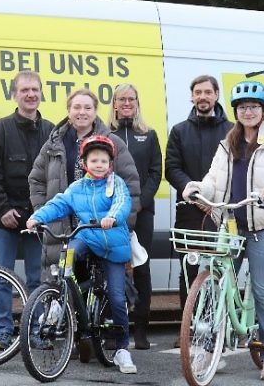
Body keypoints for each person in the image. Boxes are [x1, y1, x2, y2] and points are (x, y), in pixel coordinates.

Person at [182, 80, 264, 381]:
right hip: (229, 224)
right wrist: (197, 188)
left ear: (263, 111)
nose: (248, 112)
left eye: (254, 107)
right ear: (236, 112)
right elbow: (213, 181)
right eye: (243, 107)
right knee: (210, 283)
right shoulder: (227, 145)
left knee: (263, 291)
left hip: (263, 227)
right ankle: (209, 350)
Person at [28, 134, 137, 374]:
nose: (99, 165)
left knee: (117, 297)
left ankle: (122, 349)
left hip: (112, 244)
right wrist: (38, 217)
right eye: (94, 160)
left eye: (104, 161)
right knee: (68, 252)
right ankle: (59, 299)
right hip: (87, 236)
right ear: (85, 164)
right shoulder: (77, 187)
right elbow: (59, 204)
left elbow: (122, 202)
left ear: (110, 164)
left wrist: (113, 217)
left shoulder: (115, 183)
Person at [30, 87, 142, 280]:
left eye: (88, 108)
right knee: (61, 287)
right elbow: (36, 180)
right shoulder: (52, 144)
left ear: (95, 111)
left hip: (101, 230)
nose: (82, 112)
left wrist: (121, 225)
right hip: (61, 228)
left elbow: (130, 188)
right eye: (77, 107)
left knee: (97, 290)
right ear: (68, 110)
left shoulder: (113, 143)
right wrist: (44, 213)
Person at [0, 70, 54, 350]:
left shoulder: (51, 131)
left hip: (39, 219)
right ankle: (3, 331)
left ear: (41, 93)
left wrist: (45, 213)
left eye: (35, 89)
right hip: (5, 218)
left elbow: (54, 177)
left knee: (37, 278)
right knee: (3, 277)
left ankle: (33, 331)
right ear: (14, 94)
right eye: (24, 90)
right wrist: (3, 210)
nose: (30, 94)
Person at [164, 75, 233, 322]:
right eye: (197, 92)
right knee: (189, 270)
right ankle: (189, 326)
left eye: (207, 92)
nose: (202, 96)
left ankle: (220, 325)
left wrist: (215, 197)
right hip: (190, 210)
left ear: (216, 95)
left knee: (224, 270)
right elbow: (172, 168)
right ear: (192, 96)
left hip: (223, 213)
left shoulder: (232, 131)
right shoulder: (180, 131)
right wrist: (193, 192)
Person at [108, 83, 161, 350]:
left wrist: (141, 201)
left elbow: (155, 172)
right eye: (122, 99)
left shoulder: (148, 135)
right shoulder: (106, 134)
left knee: (141, 268)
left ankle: (141, 329)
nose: (127, 103)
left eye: (132, 99)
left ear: (137, 102)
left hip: (142, 212)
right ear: (114, 104)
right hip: (112, 212)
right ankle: (115, 328)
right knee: (111, 266)